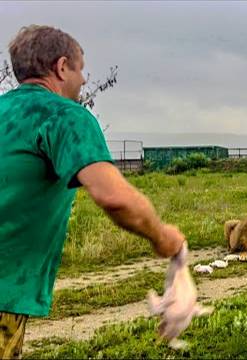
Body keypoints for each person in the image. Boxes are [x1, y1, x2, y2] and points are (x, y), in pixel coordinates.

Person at [0, 25, 185, 358]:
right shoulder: (64, 115)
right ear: (60, 67)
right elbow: (113, 196)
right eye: (80, 68)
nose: (84, 80)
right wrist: (163, 236)